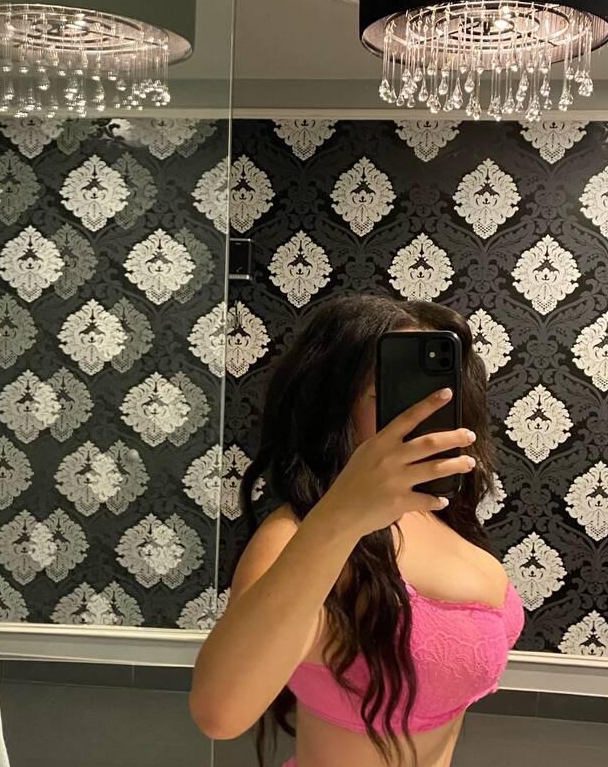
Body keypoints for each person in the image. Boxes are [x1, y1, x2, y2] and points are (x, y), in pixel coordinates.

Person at [190, 294, 523, 767]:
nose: (424, 410)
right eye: (393, 394)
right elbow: (219, 714)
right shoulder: (297, 536)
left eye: (441, 393)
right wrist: (339, 517)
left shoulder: (431, 511)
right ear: (331, 405)